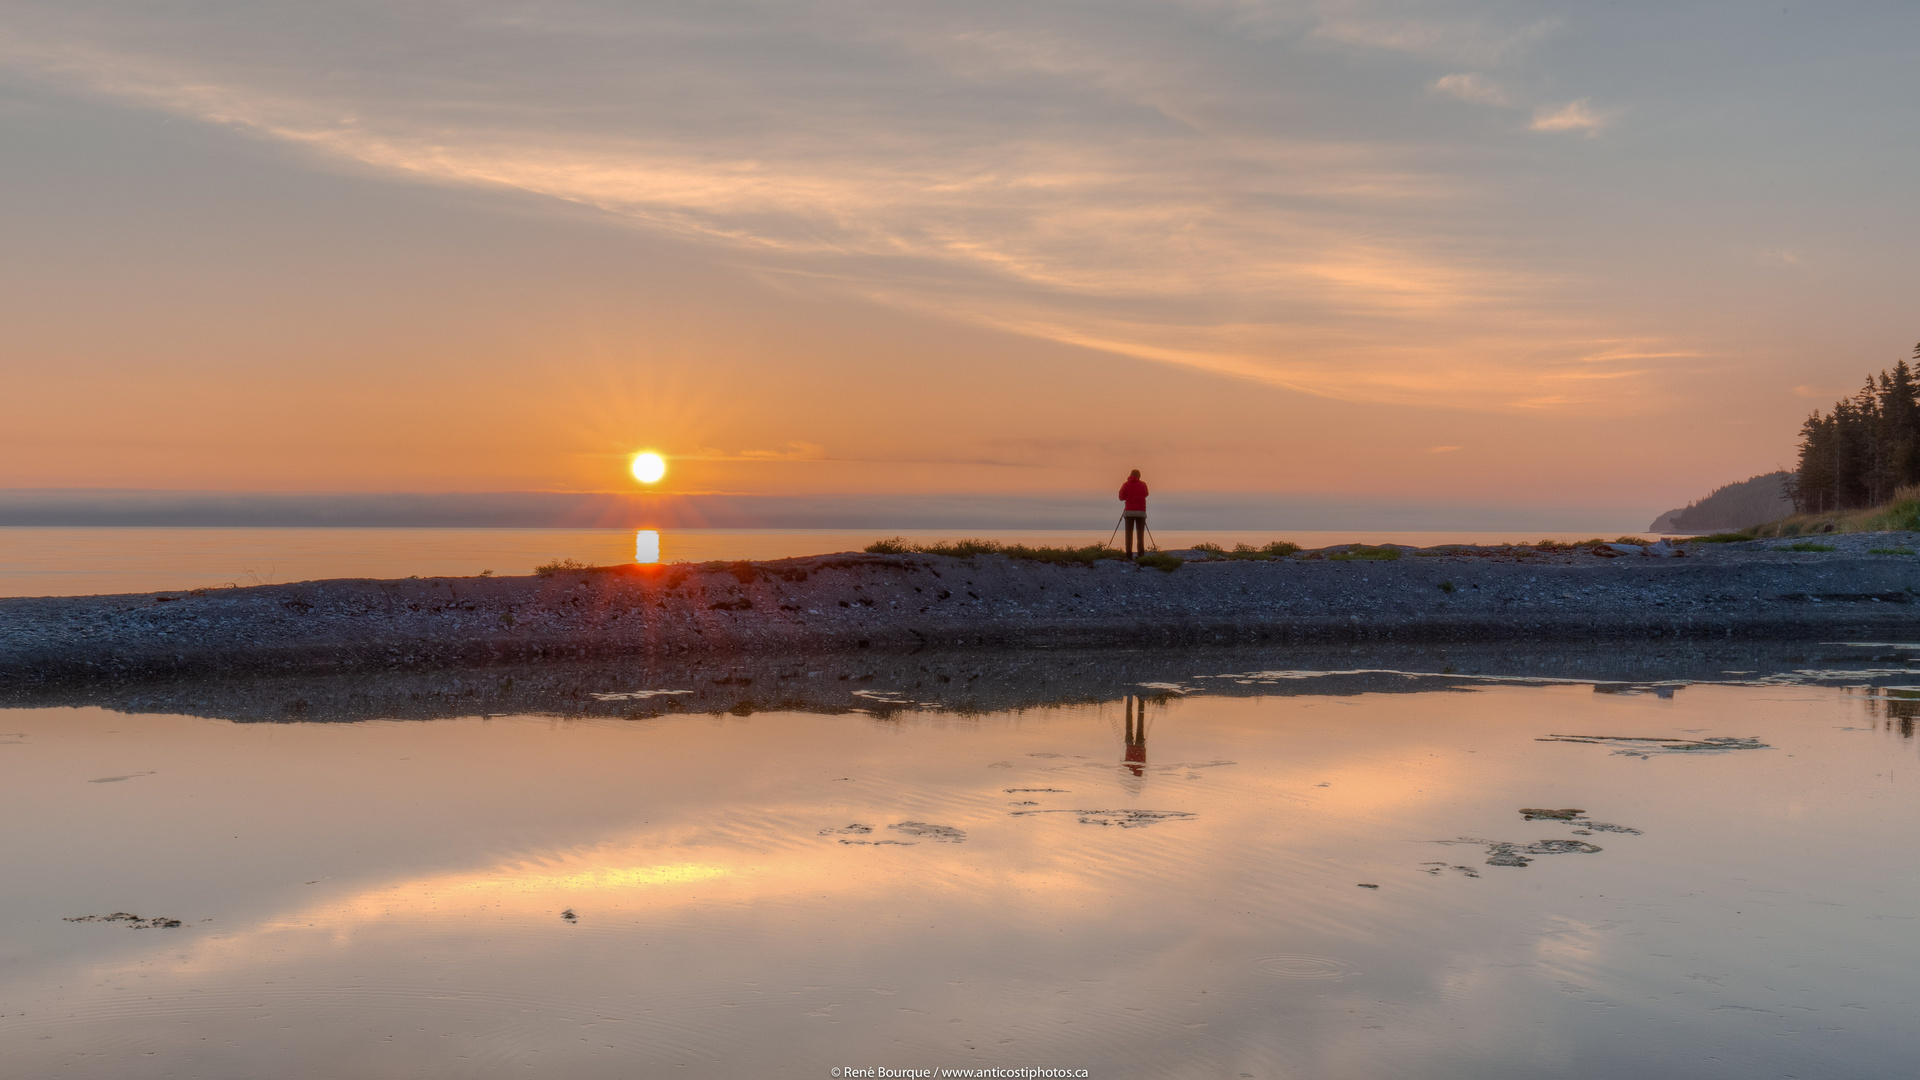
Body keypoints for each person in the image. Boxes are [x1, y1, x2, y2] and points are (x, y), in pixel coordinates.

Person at [1118, 469, 1149, 555]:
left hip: (1129, 512)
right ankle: (1141, 554)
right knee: (1140, 534)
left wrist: (1129, 497)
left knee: (1128, 534)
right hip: (1141, 511)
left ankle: (1128, 555)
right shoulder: (1143, 484)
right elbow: (1146, 494)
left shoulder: (1126, 485)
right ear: (1139, 476)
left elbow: (1121, 497)